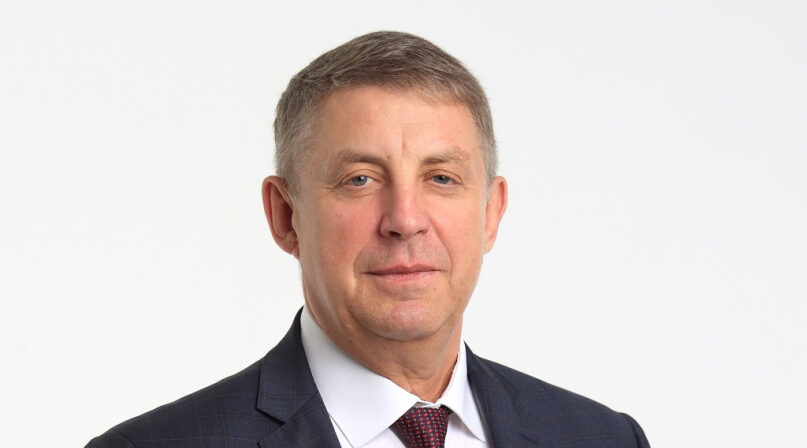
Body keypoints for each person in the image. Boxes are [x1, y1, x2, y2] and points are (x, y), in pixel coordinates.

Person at [86, 31, 650, 448]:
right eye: (360, 179)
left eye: (441, 178)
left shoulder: (604, 439)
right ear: (286, 216)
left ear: (490, 213)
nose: (405, 219)